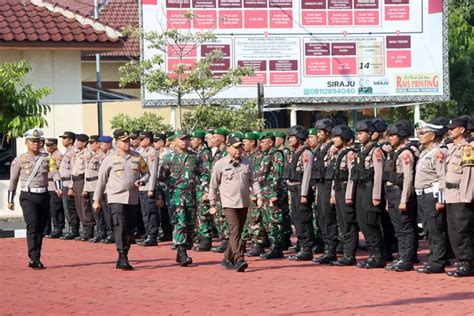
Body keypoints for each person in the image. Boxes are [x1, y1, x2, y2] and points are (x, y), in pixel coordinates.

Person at [93, 130, 150, 270]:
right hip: (116, 197)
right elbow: (101, 181)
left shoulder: (137, 157)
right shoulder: (110, 159)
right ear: (117, 143)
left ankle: (124, 253)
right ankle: (122, 255)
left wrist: (142, 181)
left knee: (129, 228)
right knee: (120, 225)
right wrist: (96, 200)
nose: (127, 143)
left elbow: (147, 173)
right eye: (124, 141)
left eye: (128, 140)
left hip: (132, 198)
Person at [8, 129, 62, 269]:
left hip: (43, 195)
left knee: (41, 227)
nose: (36, 144)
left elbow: (55, 173)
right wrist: (10, 200)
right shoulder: (20, 159)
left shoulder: (46, 158)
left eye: (38, 141)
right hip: (28, 196)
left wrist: (58, 187)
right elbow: (13, 180)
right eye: (33, 141)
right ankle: (33, 257)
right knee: (32, 225)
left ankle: (36, 254)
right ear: (26, 142)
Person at [209, 133, 262, 272]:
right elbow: (213, 185)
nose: (238, 151)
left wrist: (259, 195)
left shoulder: (247, 162)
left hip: (243, 202)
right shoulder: (220, 164)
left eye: (240, 148)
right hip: (228, 203)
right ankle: (239, 259)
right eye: (235, 148)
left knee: (237, 231)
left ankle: (227, 258)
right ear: (228, 148)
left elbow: (254, 180)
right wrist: (212, 204)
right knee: (234, 231)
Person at [346, 119, 386, 269]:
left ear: (370, 134)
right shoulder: (360, 151)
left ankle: (378, 256)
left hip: (370, 190)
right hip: (360, 190)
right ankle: (372, 254)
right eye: (358, 133)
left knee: (371, 223)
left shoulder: (376, 151)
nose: (359, 136)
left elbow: (378, 174)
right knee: (362, 223)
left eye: (361, 133)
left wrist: (376, 195)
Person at [156, 131, 198, 266]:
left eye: (186, 139)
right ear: (175, 141)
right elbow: (161, 179)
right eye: (181, 139)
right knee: (180, 222)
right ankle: (181, 251)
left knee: (190, 224)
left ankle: (183, 250)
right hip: (175, 196)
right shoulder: (168, 158)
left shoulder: (194, 157)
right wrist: (161, 196)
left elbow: (202, 174)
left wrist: (205, 190)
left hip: (191, 195)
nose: (184, 142)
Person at [382, 121, 418, 272]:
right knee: (399, 228)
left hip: (401, 193)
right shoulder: (395, 152)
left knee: (405, 228)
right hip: (392, 194)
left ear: (402, 135)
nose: (390, 138)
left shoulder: (405, 153)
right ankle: (401, 256)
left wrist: (404, 200)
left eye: (393, 135)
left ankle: (406, 259)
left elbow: (408, 178)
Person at [414, 120, 449, 274]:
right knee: (428, 229)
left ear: (432, 135)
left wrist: (441, 199)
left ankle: (437, 262)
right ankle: (434, 257)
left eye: (423, 133)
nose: (419, 136)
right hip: (422, 195)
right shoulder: (424, 152)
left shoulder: (438, 152)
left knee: (436, 229)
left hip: (432, 195)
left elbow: (442, 177)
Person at [444, 116, 474, 277]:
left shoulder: (467, 148)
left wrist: (466, 197)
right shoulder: (451, 148)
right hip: (450, 195)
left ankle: (467, 263)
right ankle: (462, 261)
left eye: (452, 128)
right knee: (454, 231)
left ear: (462, 130)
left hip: (461, 195)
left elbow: (469, 174)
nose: (449, 131)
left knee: (463, 231)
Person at [327, 125, 358, 266]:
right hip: (338, 188)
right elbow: (335, 176)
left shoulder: (350, 154)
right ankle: (346, 252)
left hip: (346, 189)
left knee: (348, 222)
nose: (334, 139)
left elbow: (352, 176)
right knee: (341, 222)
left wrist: (349, 195)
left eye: (337, 137)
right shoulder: (338, 153)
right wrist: (333, 193)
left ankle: (350, 254)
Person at [286, 125, 315, 261]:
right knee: (297, 220)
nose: (289, 140)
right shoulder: (294, 153)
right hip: (293, 189)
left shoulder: (306, 153)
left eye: (292, 137)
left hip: (301, 190)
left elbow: (307, 175)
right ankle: (301, 246)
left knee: (304, 220)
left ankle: (307, 248)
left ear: (299, 138)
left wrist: (304, 194)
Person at [313, 118, 339, 264]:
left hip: (329, 185)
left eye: (320, 131)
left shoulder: (331, 148)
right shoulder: (320, 147)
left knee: (328, 218)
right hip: (321, 185)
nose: (318, 134)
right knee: (321, 217)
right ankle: (327, 248)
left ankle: (331, 250)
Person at [257, 132, 285, 259]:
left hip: (271, 192)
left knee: (274, 220)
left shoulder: (276, 155)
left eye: (263, 142)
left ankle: (277, 247)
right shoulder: (265, 155)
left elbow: (277, 175)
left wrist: (274, 193)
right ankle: (272, 245)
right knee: (267, 220)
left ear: (271, 143)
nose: (261, 144)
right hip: (264, 192)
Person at [190, 130, 214, 251]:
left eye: (193, 139)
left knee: (204, 214)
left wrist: (206, 190)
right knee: (198, 215)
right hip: (196, 188)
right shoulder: (196, 153)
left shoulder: (205, 153)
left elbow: (207, 172)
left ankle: (206, 240)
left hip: (203, 188)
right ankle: (201, 238)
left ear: (199, 140)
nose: (191, 142)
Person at [69, 133, 95, 241]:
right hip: (76, 180)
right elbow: (73, 171)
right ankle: (84, 229)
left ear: (84, 143)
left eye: (79, 141)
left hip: (82, 181)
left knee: (85, 205)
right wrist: (71, 186)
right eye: (76, 141)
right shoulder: (77, 154)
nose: (76, 143)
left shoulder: (87, 154)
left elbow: (87, 172)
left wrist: (85, 188)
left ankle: (89, 229)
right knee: (78, 206)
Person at [210, 128, 230, 253]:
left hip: (224, 189)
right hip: (217, 189)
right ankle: (224, 238)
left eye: (215, 137)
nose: (213, 139)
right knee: (219, 216)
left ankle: (226, 240)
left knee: (224, 215)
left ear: (222, 138)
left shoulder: (225, 152)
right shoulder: (218, 152)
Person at [137, 131, 159, 247]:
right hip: (141, 186)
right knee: (145, 212)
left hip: (148, 186)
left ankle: (152, 235)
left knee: (151, 212)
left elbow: (153, 171)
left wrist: (151, 188)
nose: (140, 141)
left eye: (142, 139)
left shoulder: (152, 152)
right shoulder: (140, 152)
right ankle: (147, 233)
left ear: (148, 140)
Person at [83, 135, 106, 243]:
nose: (91, 145)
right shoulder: (93, 155)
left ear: (98, 144)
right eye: (90, 143)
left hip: (97, 184)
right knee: (94, 211)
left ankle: (103, 232)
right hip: (91, 185)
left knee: (99, 210)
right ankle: (100, 231)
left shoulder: (101, 156)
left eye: (93, 143)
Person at [306, 127, 325, 254]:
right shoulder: (313, 151)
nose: (310, 140)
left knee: (320, 216)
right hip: (312, 187)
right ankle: (317, 241)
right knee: (314, 216)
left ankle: (321, 241)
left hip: (319, 186)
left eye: (312, 137)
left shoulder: (319, 151)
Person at [59, 131, 80, 240]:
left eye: (65, 138)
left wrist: (71, 187)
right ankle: (72, 228)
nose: (63, 140)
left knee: (70, 208)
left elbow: (73, 170)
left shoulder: (73, 152)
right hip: (64, 182)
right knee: (67, 208)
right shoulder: (67, 152)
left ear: (71, 140)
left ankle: (74, 229)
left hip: (69, 182)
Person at [274, 131, 292, 250]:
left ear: (281, 140)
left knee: (284, 212)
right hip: (281, 184)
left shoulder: (284, 152)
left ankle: (286, 237)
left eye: (276, 138)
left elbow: (283, 169)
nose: (275, 141)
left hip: (284, 184)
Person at [45, 138, 65, 238]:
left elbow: (58, 171)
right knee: (48, 209)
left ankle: (58, 228)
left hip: (54, 186)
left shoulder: (58, 156)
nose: (48, 147)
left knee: (56, 208)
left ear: (55, 146)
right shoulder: (48, 156)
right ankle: (47, 229)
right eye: (47, 145)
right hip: (47, 186)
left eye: (50, 145)